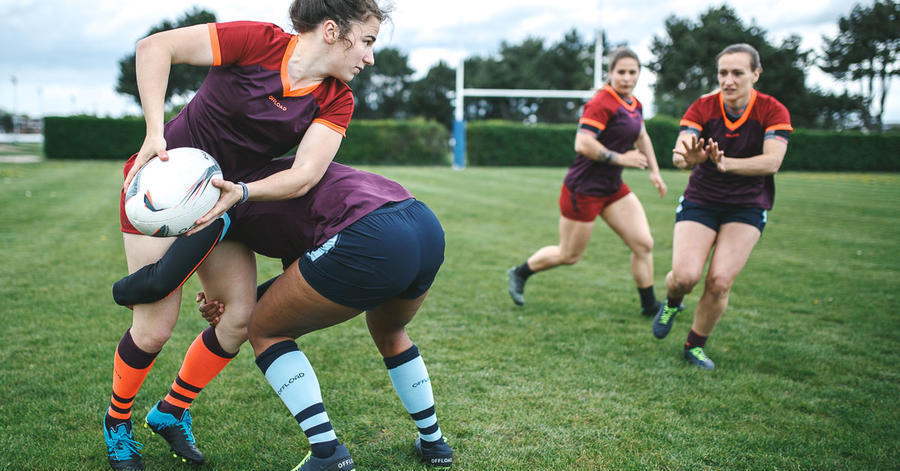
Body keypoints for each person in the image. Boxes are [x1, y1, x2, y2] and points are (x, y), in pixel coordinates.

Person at [104, 2, 389, 470]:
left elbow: (303, 176)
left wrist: (240, 192)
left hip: (225, 204)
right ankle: (118, 422)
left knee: (237, 319)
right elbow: (155, 48)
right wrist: (155, 133)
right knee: (154, 327)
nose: (370, 58)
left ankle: (171, 411)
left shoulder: (336, 99)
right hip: (161, 188)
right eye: (368, 42)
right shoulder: (259, 42)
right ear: (334, 31)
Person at [115, 159, 454, 470]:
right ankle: (434, 443)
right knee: (390, 331)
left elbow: (158, 281)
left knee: (264, 330)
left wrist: (117, 291)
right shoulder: (275, 171)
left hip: (368, 237)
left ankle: (327, 452)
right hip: (422, 223)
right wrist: (243, 299)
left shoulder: (215, 205)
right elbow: (302, 278)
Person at [651, 43, 792, 370]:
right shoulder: (703, 106)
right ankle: (672, 302)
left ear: (755, 74)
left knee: (719, 281)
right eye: (723, 73)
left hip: (747, 206)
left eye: (737, 73)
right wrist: (688, 159)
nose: (728, 80)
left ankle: (694, 346)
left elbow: (772, 162)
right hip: (702, 200)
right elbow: (679, 154)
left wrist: (726, 163)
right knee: (685, 276)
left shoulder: (772, 110)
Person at [506, 47, 668, 316]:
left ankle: (650, 305)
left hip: (613, 188)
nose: (627, 78)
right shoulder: (601, 102)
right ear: (611, 73)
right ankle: (520, 272)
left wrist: (655, 171)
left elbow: (642, 136)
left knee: (643, 244)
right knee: (569, 255)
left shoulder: (634, 103)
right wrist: (621, 159)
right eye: (621, 72)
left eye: (632, 72)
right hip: (583, 189)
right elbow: (582, 143)